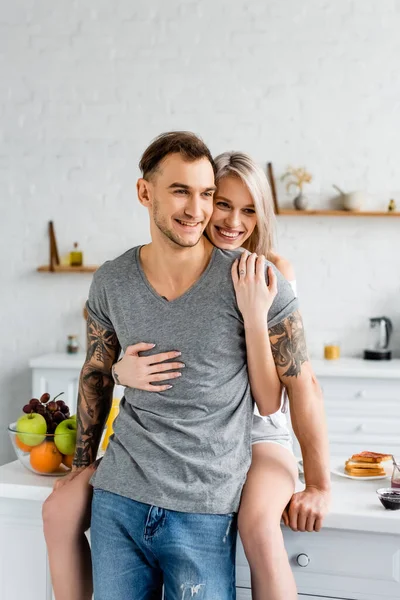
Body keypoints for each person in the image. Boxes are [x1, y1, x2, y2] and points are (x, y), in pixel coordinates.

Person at [43, 133, 330, 600]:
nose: (202, 211)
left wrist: (318, 484)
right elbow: (97, 371)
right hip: (125, 492)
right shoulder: (114, 280)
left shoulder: (262, 277)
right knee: (57, 513)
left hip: (228, 472)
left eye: (205, 195)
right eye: (184, 192)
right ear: (145, 193)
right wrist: (82, 460)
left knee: (260, 530)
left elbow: (284, 393)